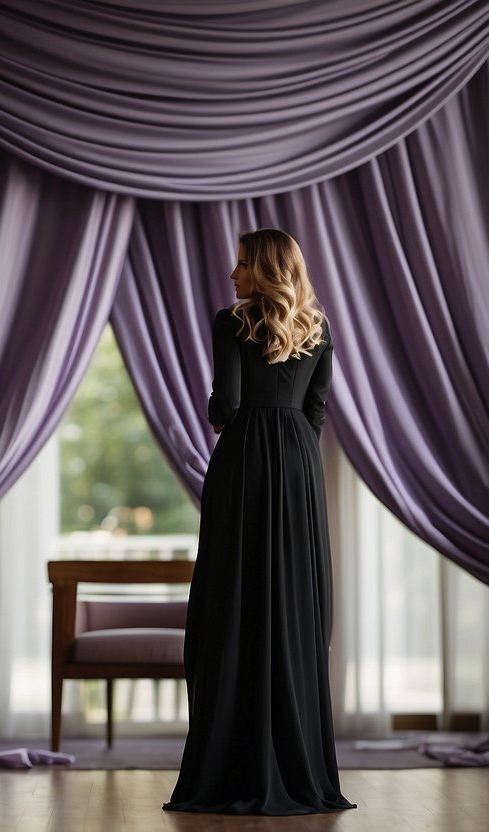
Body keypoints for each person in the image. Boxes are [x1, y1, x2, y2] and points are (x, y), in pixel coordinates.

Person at [164, 229, 355, 815]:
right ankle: (302, 768)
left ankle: (229, 764)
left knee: (234, 601)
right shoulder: (318, 329)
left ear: (265, 270)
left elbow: (224, 406)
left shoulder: (232, 322)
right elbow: (317, 408)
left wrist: (241, 421)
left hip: (245, 463)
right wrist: (293, 447)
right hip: (299, 467)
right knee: (293, 602)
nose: (232, 273)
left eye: (242, 263)